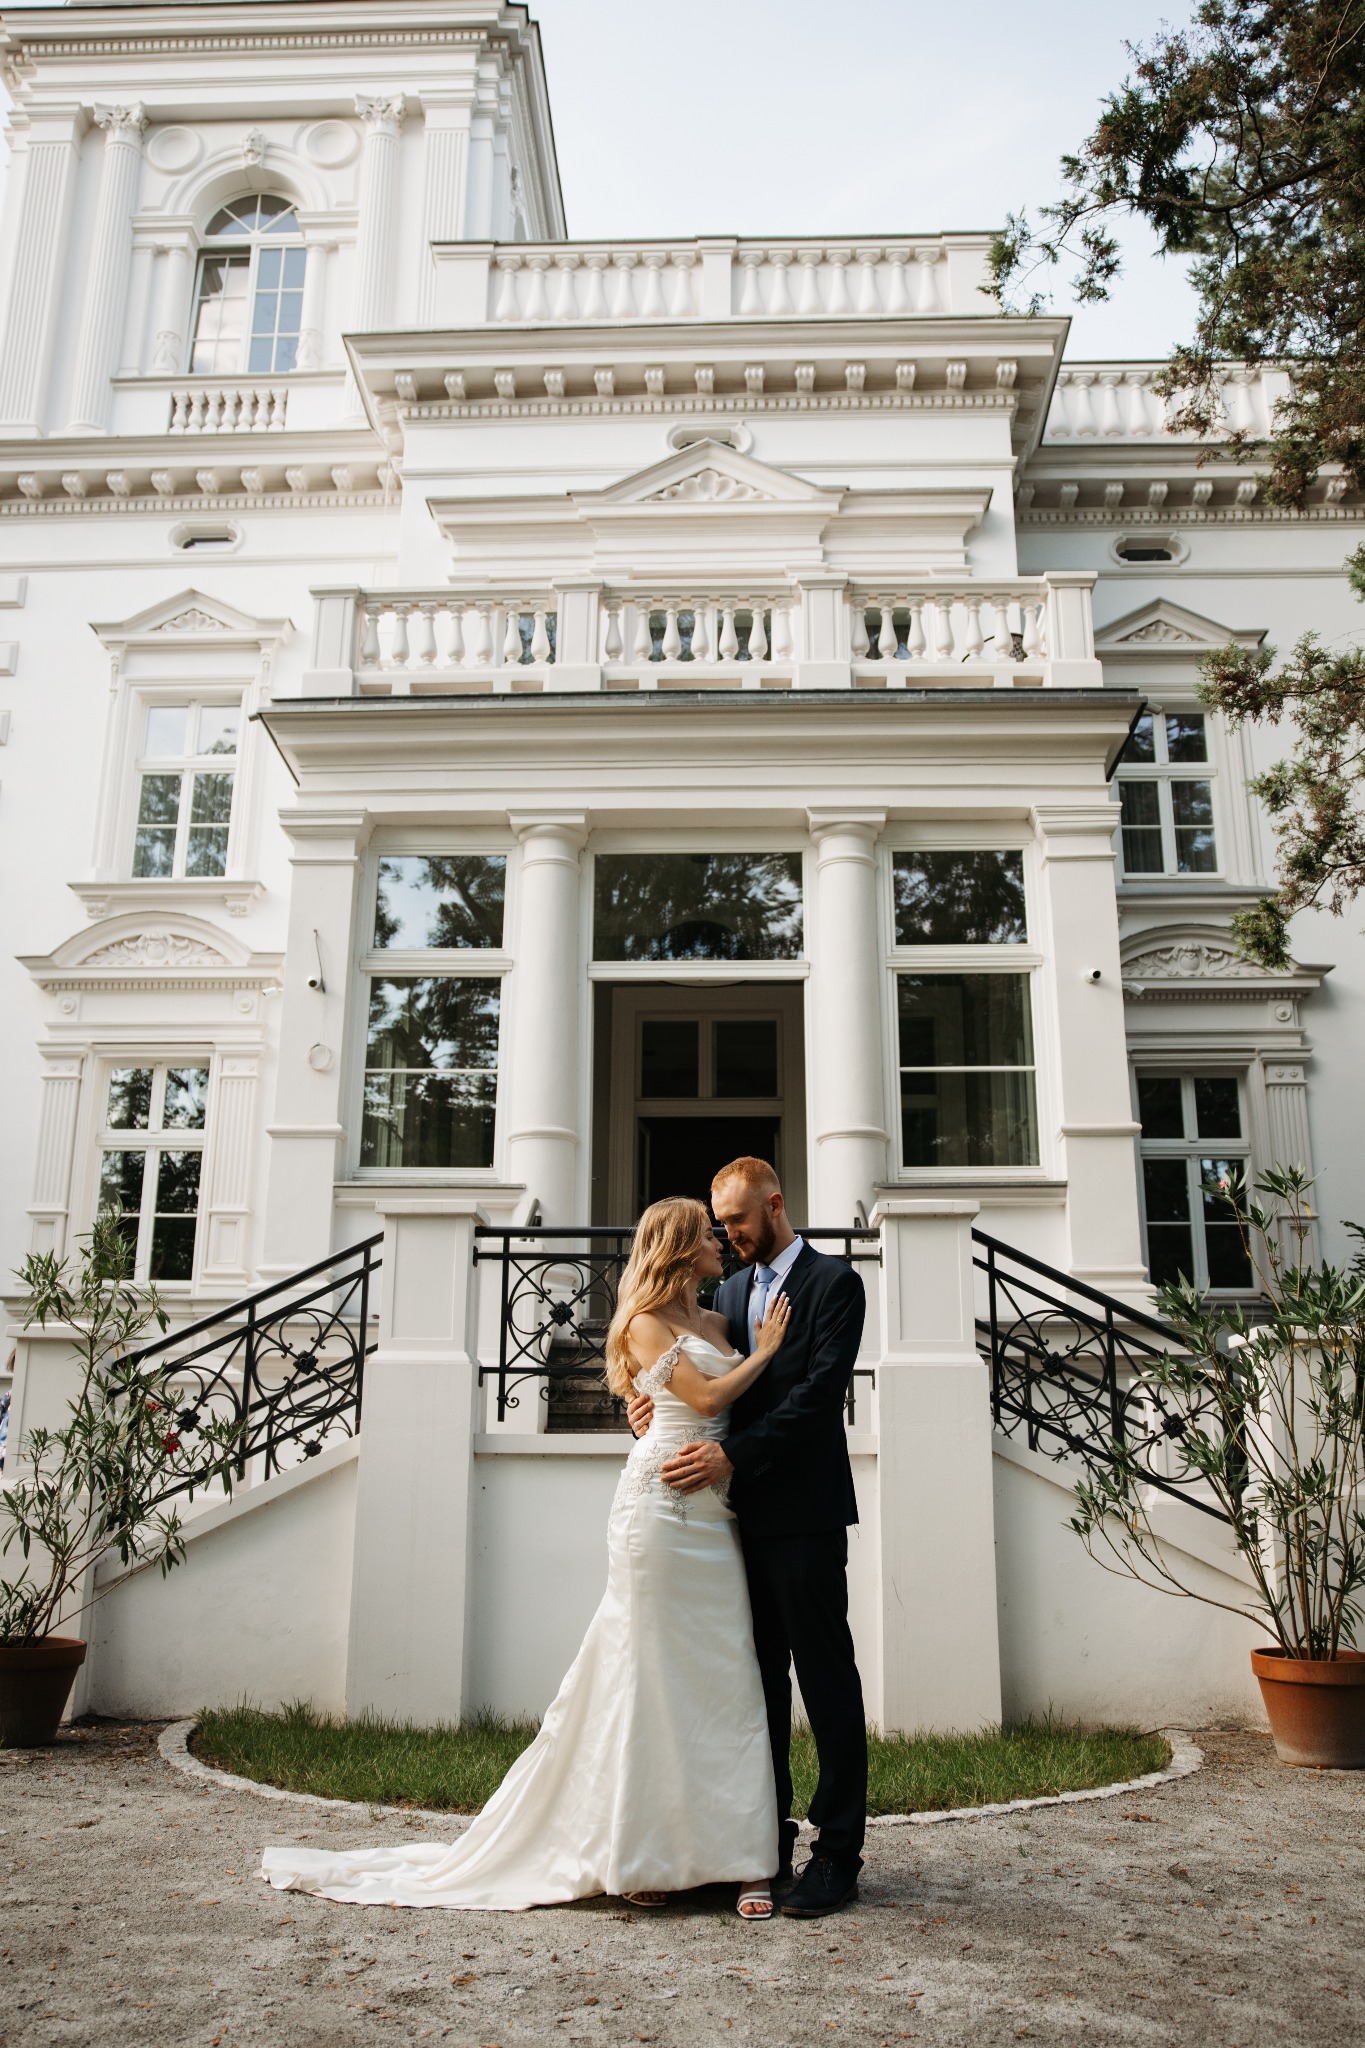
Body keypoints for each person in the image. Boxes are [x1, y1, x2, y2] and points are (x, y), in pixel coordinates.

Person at [260, 1196, 791, 1918]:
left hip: (711, 1514)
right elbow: (699, 1397)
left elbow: (712, 1406)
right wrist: (765, 1352)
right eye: (705, 1233)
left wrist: (735, 1365)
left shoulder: (721, 1318)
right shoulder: (641, 1322)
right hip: (657, 1512)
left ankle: (738, 1855)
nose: (717, 1243)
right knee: (649, 1675)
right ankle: (640, 1849)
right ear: (674, 1247)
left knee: (722, 1675)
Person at [628, 1157, 867, 1919]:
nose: (726, 1237)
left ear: (773, 1205)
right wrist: (645, 1410)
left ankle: (837, 1855)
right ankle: (761, 1846)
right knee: (751, 1691)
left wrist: (735, 1454)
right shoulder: (726, 1295)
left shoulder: (834, 1285)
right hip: (725, 1525)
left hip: (802, 1515)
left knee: (825, 1683)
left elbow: (815, 1396)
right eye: (718, 1225)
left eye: (735, 1221)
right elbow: (693, 1386)